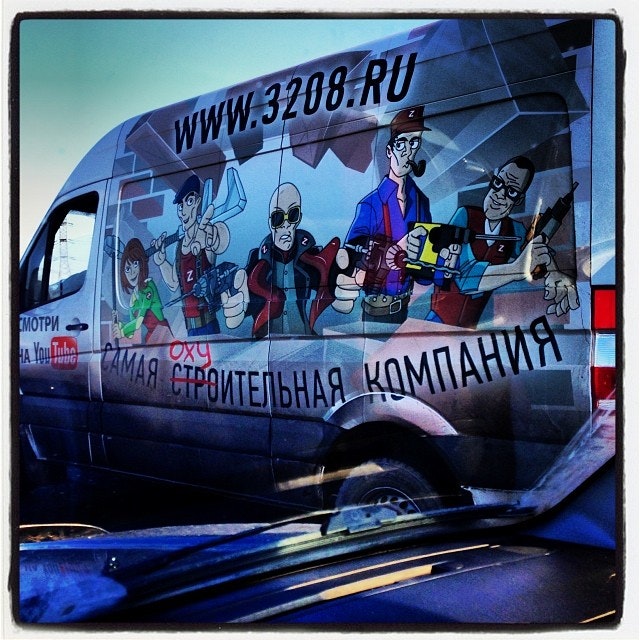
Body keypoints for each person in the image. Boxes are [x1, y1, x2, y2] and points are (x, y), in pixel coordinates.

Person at [424, 156, 579, 328]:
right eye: (498, 184)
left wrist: (553, 272)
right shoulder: (464, 216)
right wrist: (516, 269)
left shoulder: (514, 230)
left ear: (518, 200)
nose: (499, 195)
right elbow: (464, 276)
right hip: (437, 323)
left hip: (471, 330)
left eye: (511, 192)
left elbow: (536, 253)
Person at [336, 105, 456, 324]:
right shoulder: (371, 204)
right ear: (389, 151)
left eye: (414, 143)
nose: (408, 151)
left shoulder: (421, 203)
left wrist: (443, 265)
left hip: (405, 310)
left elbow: (423, 274)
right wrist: (395, 249)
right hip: (375, 313)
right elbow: (351, 259)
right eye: (401, 143)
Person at [221, 182, 340, 339]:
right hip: (266, 345)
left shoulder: (311, 258)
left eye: (292, 215)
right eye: (278, 218)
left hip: (304, 342)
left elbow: (330, 289)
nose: (286, 225)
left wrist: (342, 294)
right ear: (270, 223)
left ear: (299, 218)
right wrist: (239, 309)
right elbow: (248, 297)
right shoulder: (258, 262)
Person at [151, 174, 230, 336]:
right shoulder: (180, 246)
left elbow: (218, 241)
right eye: (180, 206)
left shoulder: (205, 235)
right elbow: (174, 282)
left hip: (208, 325)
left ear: (198, 203)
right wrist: (162, 262)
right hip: (190, 327)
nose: (184, 211)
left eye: (189, 202)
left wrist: (208, 237)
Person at [113, 237, 173, 344]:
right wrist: (120, 326)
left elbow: (138, 322)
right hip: (151, 337)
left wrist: (122, 332)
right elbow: (132, 332)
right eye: (127, 268)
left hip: (162, 334)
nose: (132, 272)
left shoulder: (147, 287)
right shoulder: (134, 297)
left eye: (135, 264)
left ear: (142, 264)